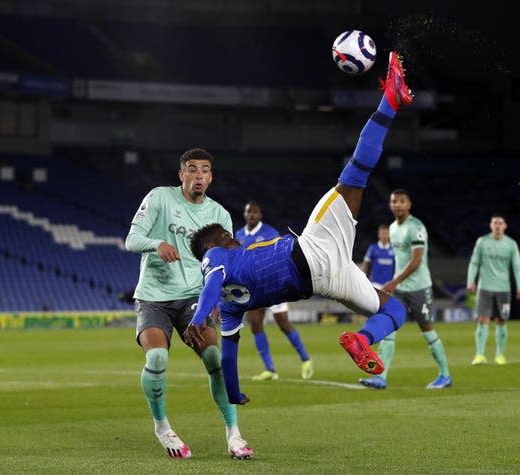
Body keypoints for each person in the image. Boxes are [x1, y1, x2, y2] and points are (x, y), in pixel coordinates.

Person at [184, 51, 412, 405]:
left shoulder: (229, 310)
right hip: (312, 250)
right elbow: (211, 279)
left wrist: (233, 393)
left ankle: (364, 340)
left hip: (324, 282)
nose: (233, 238)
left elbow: (229, 353)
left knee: (395, 309)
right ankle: (390, 103)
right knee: (355, 173)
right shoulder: (217, 254)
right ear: (221, 240)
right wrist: (199, 318)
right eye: (228, 237)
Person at [125, 148, 253, 459]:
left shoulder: (220, 214)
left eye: (205, 170)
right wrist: (157, 243)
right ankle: (162, 427)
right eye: (192, 169)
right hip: (154, 296)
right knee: (156, 360)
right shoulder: (159, 198)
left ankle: (234, 436)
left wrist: (218, 298)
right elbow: (131, 240)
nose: (198, 175)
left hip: (195, 298)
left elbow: (228, 262)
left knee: (215, 361)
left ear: (211, 177)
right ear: (181, 174)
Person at [360, 191, 452, 390]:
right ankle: (380, 377)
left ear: (409, 204)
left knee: (427, 332)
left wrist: (394, 281)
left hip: (419, 288)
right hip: (400, 289)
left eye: (402, 201)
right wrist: (395, 283)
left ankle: (445, 375)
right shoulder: (392, 228)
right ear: (390, 204)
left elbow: (416, 261)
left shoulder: (416, 227)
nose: (398, 205)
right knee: (388, 330)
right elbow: (400, 261)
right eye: (394, 201)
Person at [235, 201, 313, 381]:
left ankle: (305, 359)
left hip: (273, 285)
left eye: (254, 212)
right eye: (248, 212)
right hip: (254, 287)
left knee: (283, 324)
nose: (251, 215)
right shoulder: (239, 235)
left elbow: (280, 257)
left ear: (260, 214)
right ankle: (270, 369)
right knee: (255, 323)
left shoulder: (270, 233)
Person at [467, 214, 520, 365]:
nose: (497, 226)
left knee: (501, 321)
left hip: (503, 288)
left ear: (505, 226)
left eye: (500, 223)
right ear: (490, 226)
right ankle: (479, 355)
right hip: (484, 287)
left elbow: (517, 266)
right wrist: (470, 281)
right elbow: (474, 262)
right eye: (495, 223)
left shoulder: (511, 244)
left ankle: (500, 355)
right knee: (482, 320)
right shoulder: (482, 242)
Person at [360, 224, 395, 288]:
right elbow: (365, 264)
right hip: (375, 284)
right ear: (378, 235)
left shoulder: (393, 249)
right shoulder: (373, 248)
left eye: (386, 233)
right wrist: (362, 279)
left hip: (389, 285)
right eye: (382, 233)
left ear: (389, 235)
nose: (384, 236)